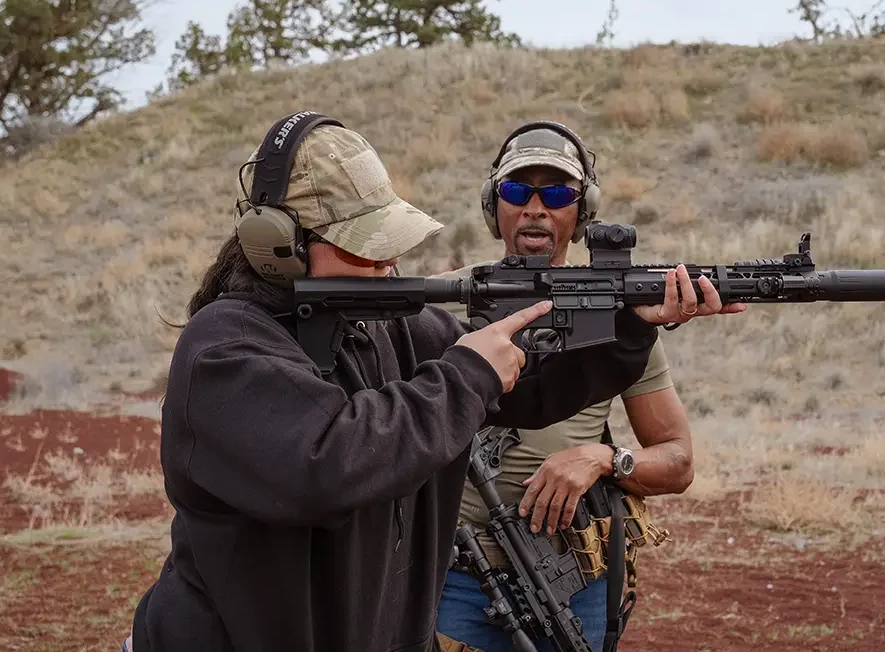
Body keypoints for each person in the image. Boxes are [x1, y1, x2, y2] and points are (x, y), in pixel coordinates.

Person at [125, 112, 740, 652]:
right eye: (364, 248)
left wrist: (629, 328)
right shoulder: (224, 349)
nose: (387, 266)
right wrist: (468, 373)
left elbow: (530, 393)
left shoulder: (386, 328)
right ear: (278, 247)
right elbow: (330, 464)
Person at [434, 121, 742, 652]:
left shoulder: (617, 323)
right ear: (494, 206)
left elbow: (677, 462)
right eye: (517, 190)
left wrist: (603, 459)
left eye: (556, 193)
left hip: (568, 579)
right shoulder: (442, 303)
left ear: (582, 213)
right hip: (450, 577)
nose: (536, 207)